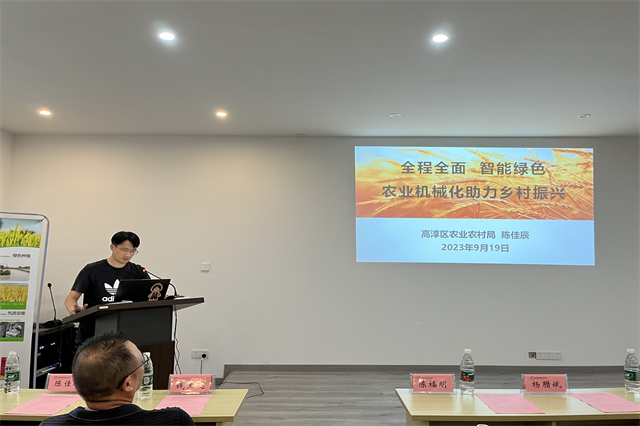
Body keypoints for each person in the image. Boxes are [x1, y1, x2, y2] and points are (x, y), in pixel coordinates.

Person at [40, 332, 194, 425]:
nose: (145, 366)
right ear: (128, 383)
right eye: (143, 362)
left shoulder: (50, 424)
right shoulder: (174, 421)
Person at [65, 231, 149, 343]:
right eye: (124, 250)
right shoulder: (92, 270)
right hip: (93, 333)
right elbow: (71, 298)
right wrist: (73, 309)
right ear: (112, 247)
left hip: (126, 332)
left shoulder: (138, 271)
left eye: (132, 251)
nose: (128, 255)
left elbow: (151, 294)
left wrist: (163, 297)